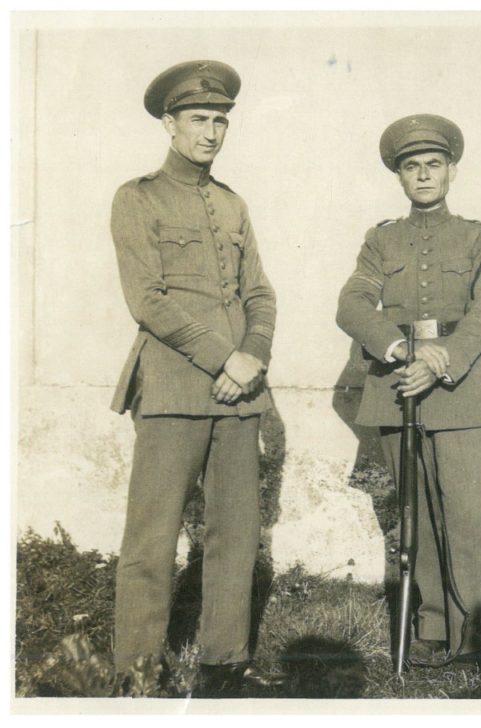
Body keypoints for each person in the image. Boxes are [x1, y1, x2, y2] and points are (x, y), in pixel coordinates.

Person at [109, 60, 277, 696]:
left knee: (235, 535)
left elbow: (260, 292)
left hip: (241, 395)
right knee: (152, 540)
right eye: (199, 120)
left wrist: (253, 353)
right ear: (169, 124)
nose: (211, 132)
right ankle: (136, 675)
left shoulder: (233, 204)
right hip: (176, 388)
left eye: (221, 121)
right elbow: (147, 299)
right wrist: (222, 357)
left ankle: (224, 667)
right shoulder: (139, 197)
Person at [336, 114, 481, 668]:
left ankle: (475, 631)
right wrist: (404, 352)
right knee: (417, 511)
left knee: (466, 513)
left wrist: (443, 362)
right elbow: (353, 306)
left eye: (434, 165)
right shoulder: (380, 240)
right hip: (398, 384)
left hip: (461, 387)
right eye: (412, 167)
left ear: (451, 171)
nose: (424, 175)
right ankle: (433, 624)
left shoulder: (480, 237)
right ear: (400, 177)